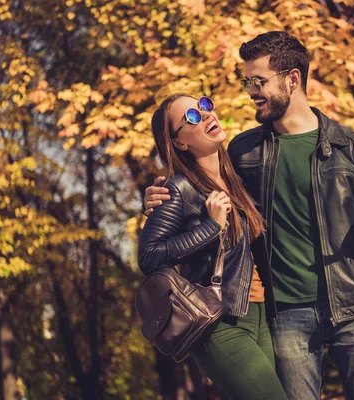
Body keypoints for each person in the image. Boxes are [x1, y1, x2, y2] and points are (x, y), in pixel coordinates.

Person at [144, 32, 354, 400]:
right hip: (287, 314)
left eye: (258, 81)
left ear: (292, 79)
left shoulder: (349, 145)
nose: (250, 91)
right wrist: (156, 198)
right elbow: (192, 189)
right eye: (247, 82)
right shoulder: (244, 149)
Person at [138, 93, 287, 400]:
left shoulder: (234, 178)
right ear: (179, 143)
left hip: (256, 313)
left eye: (204, 106)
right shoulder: (177, 188)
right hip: (220, 324)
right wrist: (211, 227)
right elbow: (149, 256)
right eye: (192, 117)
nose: (206, 115)